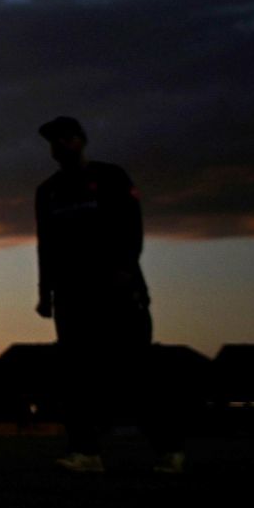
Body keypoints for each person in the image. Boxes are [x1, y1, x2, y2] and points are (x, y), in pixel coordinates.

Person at [34, 116, 185, 473]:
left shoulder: (111, 177)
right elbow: (47, 245)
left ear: (81, 140)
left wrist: (124, 271)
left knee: (135, 371)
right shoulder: (48, 191)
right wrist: (45, 292)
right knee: (76, 376)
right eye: (54, 141)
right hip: (72, 297)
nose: (60, 145)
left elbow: (133, 228)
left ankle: (170, 450)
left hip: (119, 293)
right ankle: (85, 452)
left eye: (66, 138)